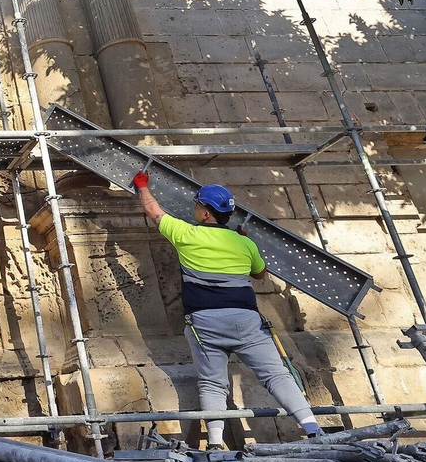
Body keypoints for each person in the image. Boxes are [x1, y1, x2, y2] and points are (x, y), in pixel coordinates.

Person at [130, 170, 321, 447]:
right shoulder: (244, 243)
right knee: (277, 374)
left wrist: (142, 185)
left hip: (205, 322)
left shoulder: (186, 234)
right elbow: (259, 274)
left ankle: (216, 443)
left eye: (197, 206)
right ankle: (312, 428)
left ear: (206, 213)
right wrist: (242, 242)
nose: (194, 209)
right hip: (246, 320)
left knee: (212, 383)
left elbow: (152, 209)